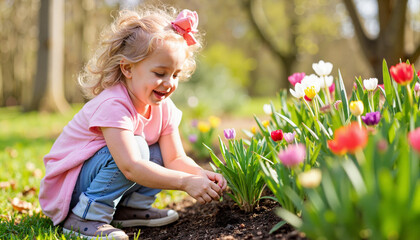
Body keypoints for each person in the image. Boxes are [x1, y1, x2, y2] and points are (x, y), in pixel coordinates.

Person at [38, 6, 227, 240]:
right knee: (136, 148)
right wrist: (185, 182)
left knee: (154, 150)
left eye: (175, 74)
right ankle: (85, 217)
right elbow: (129, 166)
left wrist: (200, 175)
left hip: (103, 179)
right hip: (71, 189)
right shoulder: (113, 105)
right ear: (128, 68)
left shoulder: (163, 107)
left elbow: (175, 159)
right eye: (160, 73)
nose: (169, 83)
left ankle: (130, 209)